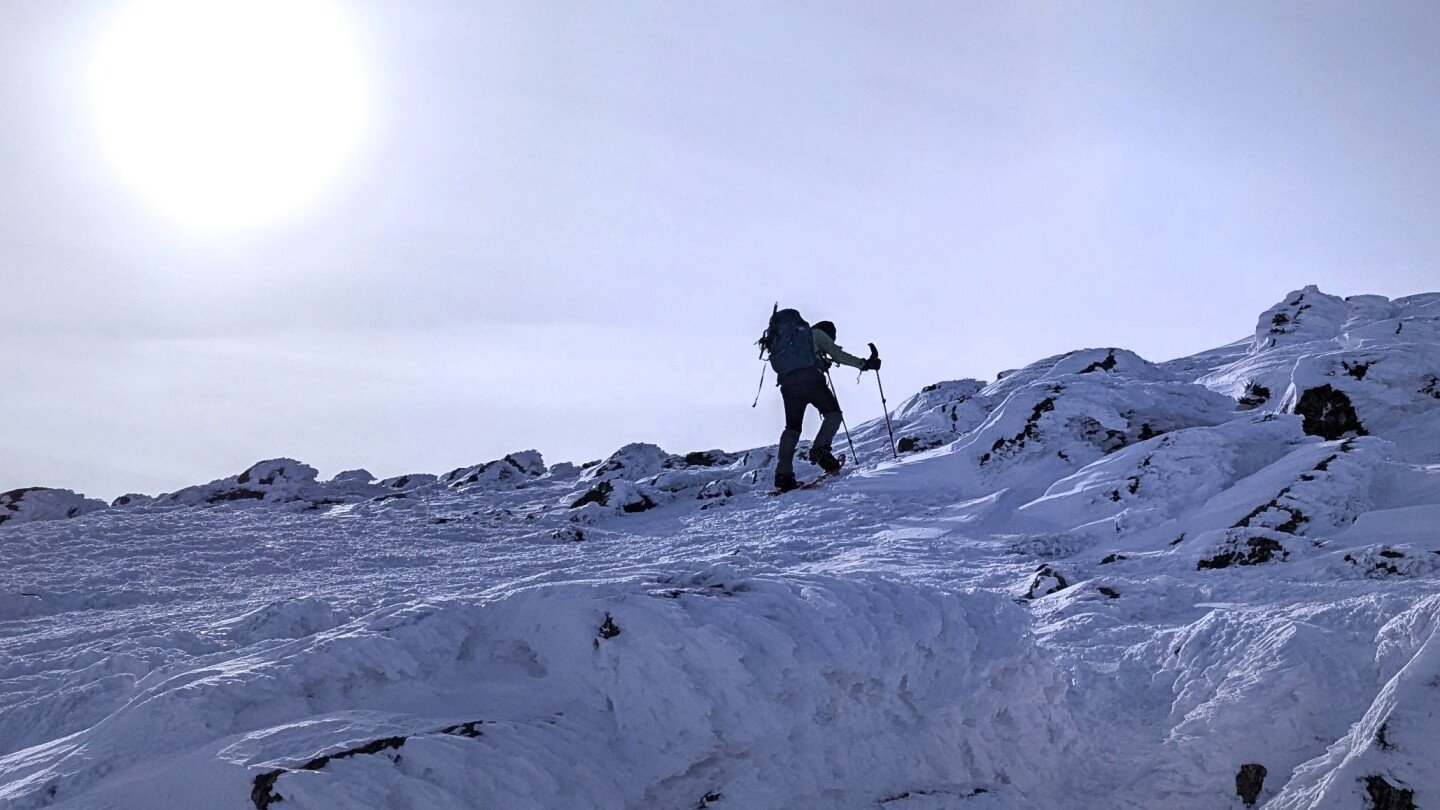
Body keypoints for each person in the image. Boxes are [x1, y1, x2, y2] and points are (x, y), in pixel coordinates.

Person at [773, 318, 880, 492]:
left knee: (792, 428)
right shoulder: (818, 334)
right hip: (811, 381)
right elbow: (838, 355)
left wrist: (822, 362)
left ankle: (783, 475)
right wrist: (865, 364)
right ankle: (820, 451)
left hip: (788, 385)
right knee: (833, 414)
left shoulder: (793, 342)